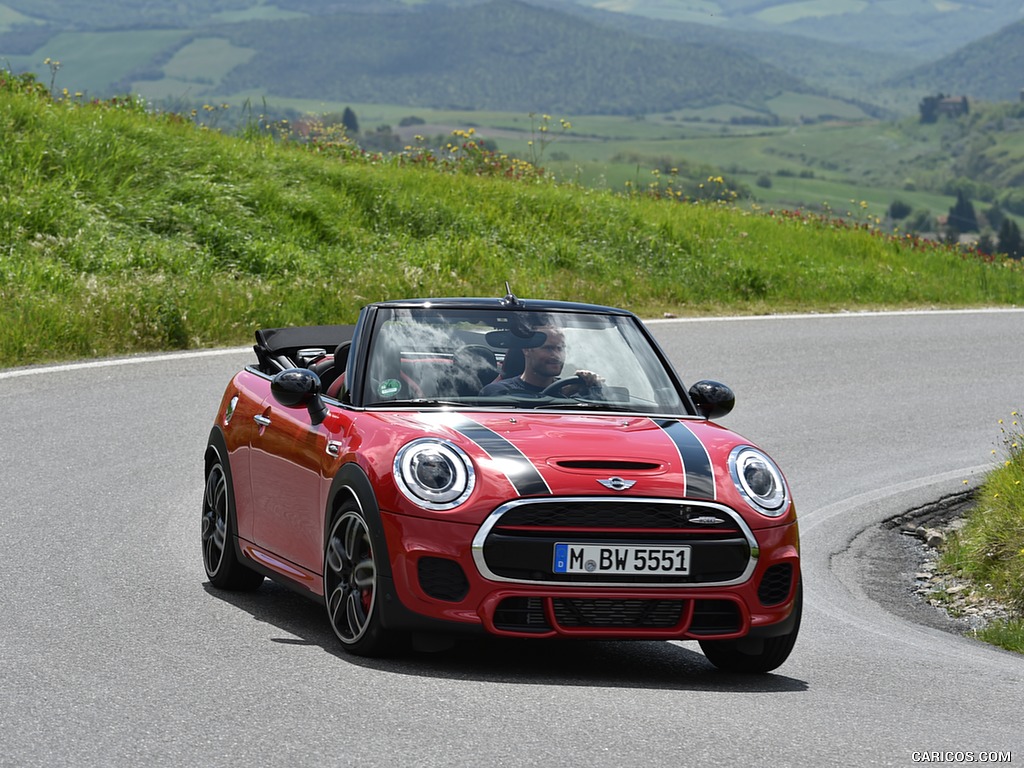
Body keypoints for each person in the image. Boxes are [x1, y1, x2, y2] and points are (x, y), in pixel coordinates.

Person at [479, 327, 601, 397]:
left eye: (560, 348)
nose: (557, 355)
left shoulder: (576, 391)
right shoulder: (498, 393)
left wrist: (591, 384)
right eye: (548, 348)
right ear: (527, 350)